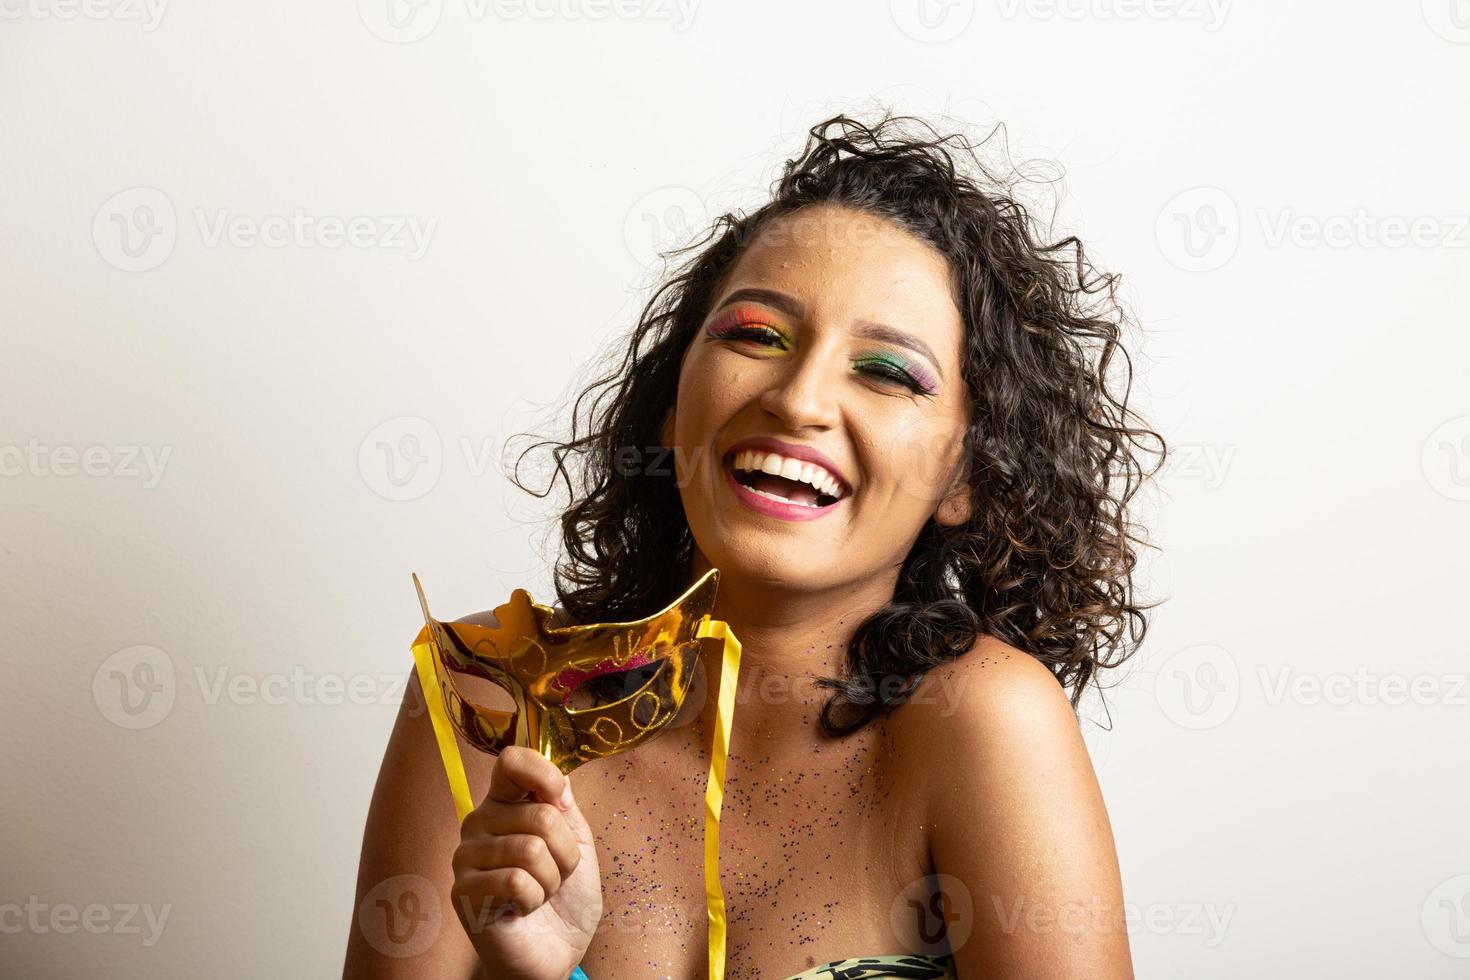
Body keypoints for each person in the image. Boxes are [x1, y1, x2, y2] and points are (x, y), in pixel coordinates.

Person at [344, 111, 1162, 980]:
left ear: (965, 476)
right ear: (669, 403)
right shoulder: (488, 699)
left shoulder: (985, 722)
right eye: (756, 336)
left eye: (887, 372)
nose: (800, 398)